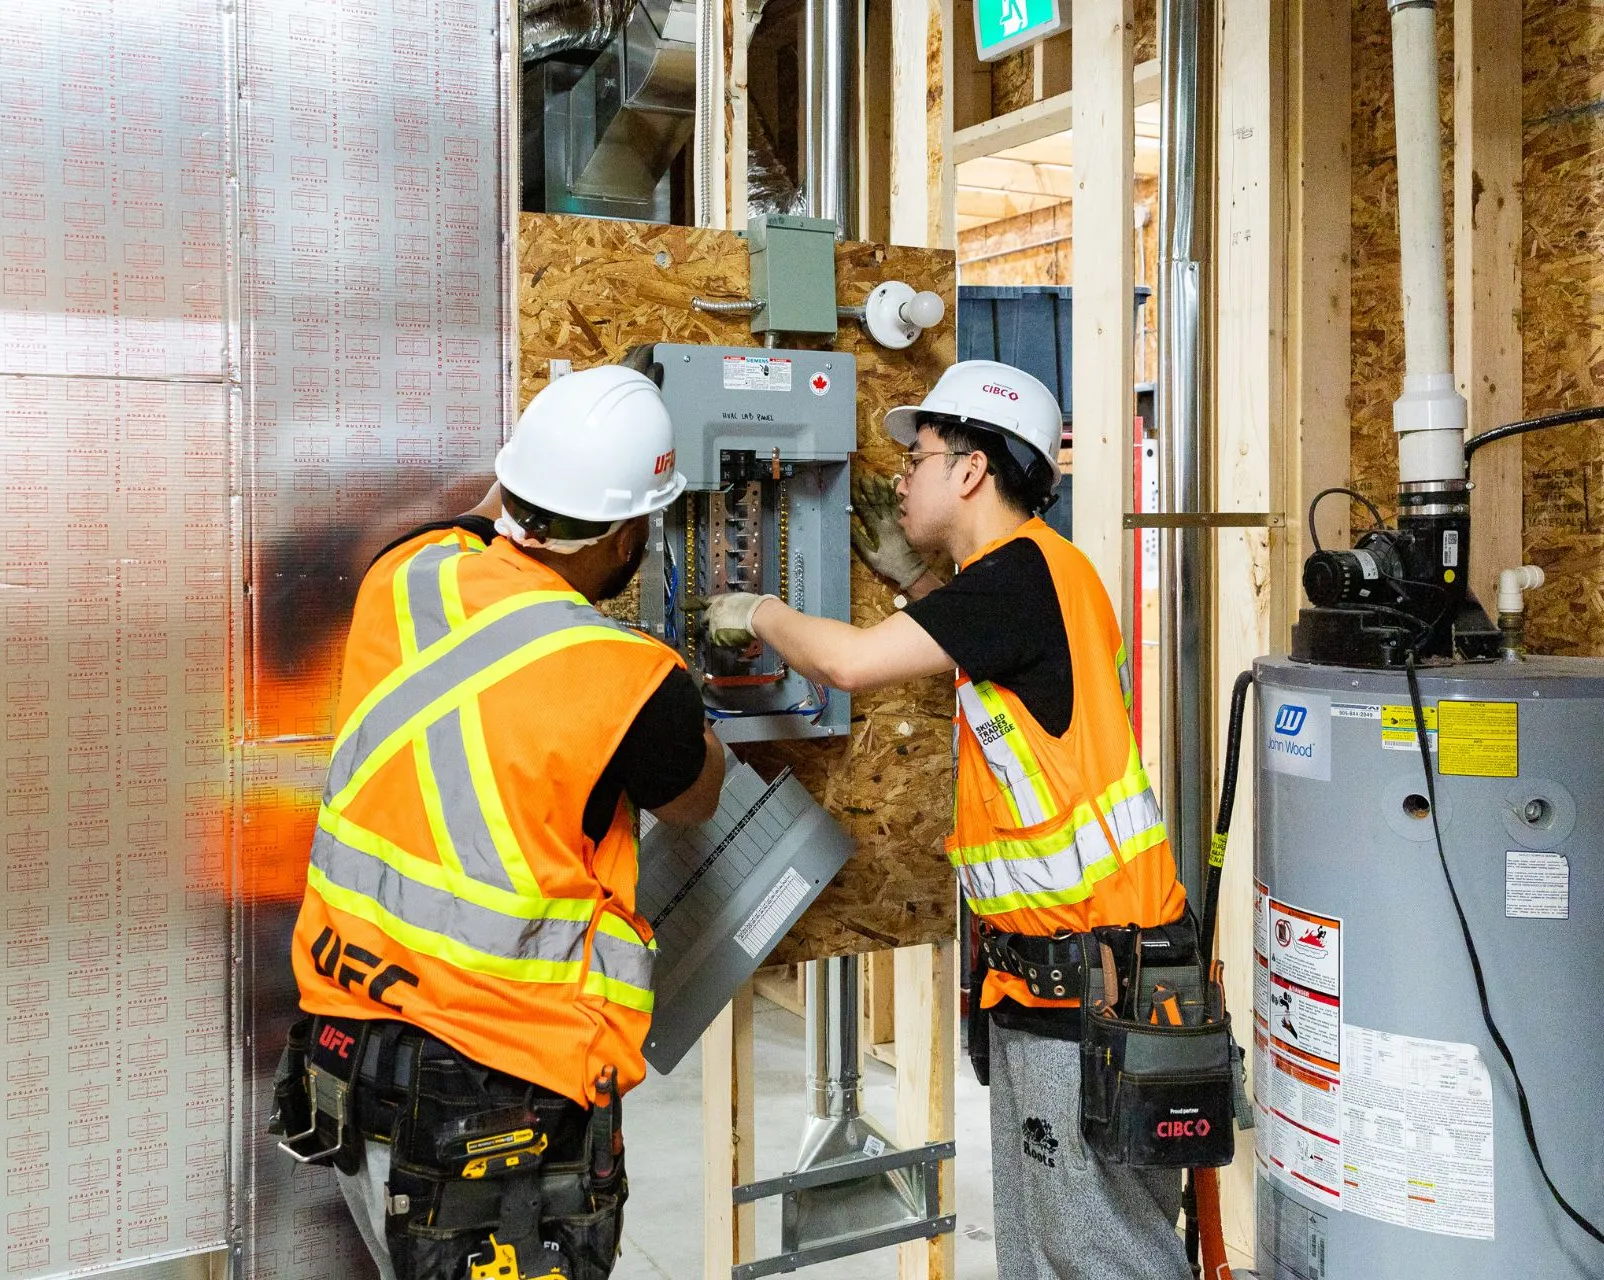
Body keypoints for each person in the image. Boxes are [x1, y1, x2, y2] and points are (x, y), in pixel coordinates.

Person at [705, 360, 1191, 1280]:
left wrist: (754, 608)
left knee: (1099, 1255)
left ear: (970, 470)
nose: (903, 478)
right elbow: (985, 651)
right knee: (1044, 1252)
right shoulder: (1026, 580)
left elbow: (847, 664)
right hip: (1049, 983)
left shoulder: (1019, 579)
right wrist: (909, 581)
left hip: (1093, 984)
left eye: (919, 457)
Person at [282, 365, 727, 1280]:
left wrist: (561, 441)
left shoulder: (403, 576)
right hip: (497, 1096)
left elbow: (487, 514)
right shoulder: (633, 681)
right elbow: (696, 796)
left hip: (347, 1048)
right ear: (629, 531)